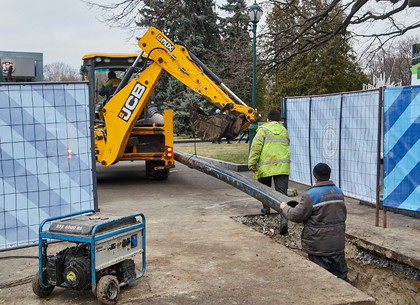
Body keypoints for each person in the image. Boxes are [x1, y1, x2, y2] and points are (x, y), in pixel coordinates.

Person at [279, 163, 349, 282]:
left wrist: (284, 207)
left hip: (319, 246)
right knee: (341, 278)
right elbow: (342, 215)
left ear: (315, 177)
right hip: (337, 244)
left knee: (321, 280)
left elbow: (296, 215)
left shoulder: (311, 195)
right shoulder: (339, 192)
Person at [248, 109, 290, 214]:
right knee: (281, 193)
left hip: (265, 166)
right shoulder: (284, 130)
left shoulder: (263, 130)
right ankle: (283, 216)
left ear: (268, 119)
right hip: (282, 166)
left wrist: (252, 164)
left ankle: (266, 209)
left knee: (264, 189)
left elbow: (255, 149)